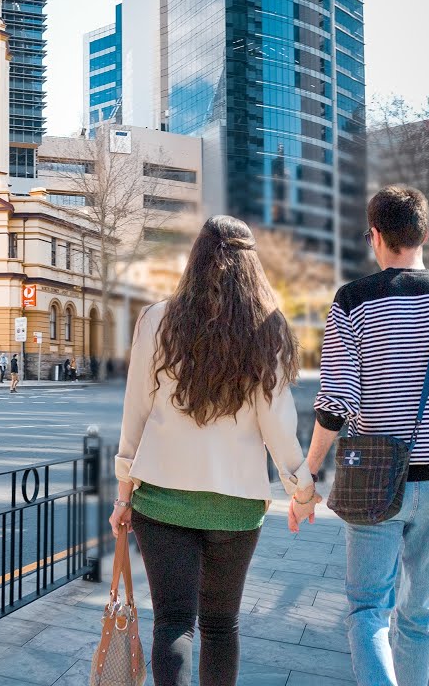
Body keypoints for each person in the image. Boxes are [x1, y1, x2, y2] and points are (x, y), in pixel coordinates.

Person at [297, 186, 429, 686]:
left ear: (375, 237)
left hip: (372, 483)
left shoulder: (353, 300)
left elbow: (335, 402)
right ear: (425, 235)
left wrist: (308, 475)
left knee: (368, 610)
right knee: (421, 611)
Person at [110, 215, 316, 686]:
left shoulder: (157, 320)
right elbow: (278, 426)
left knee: (173, 623)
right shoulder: (268, 328)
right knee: (222, 626)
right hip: (237, 505)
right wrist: (300, 490)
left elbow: (135, 415)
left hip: (160, 500)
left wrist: (124, 497)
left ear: (195, 258)